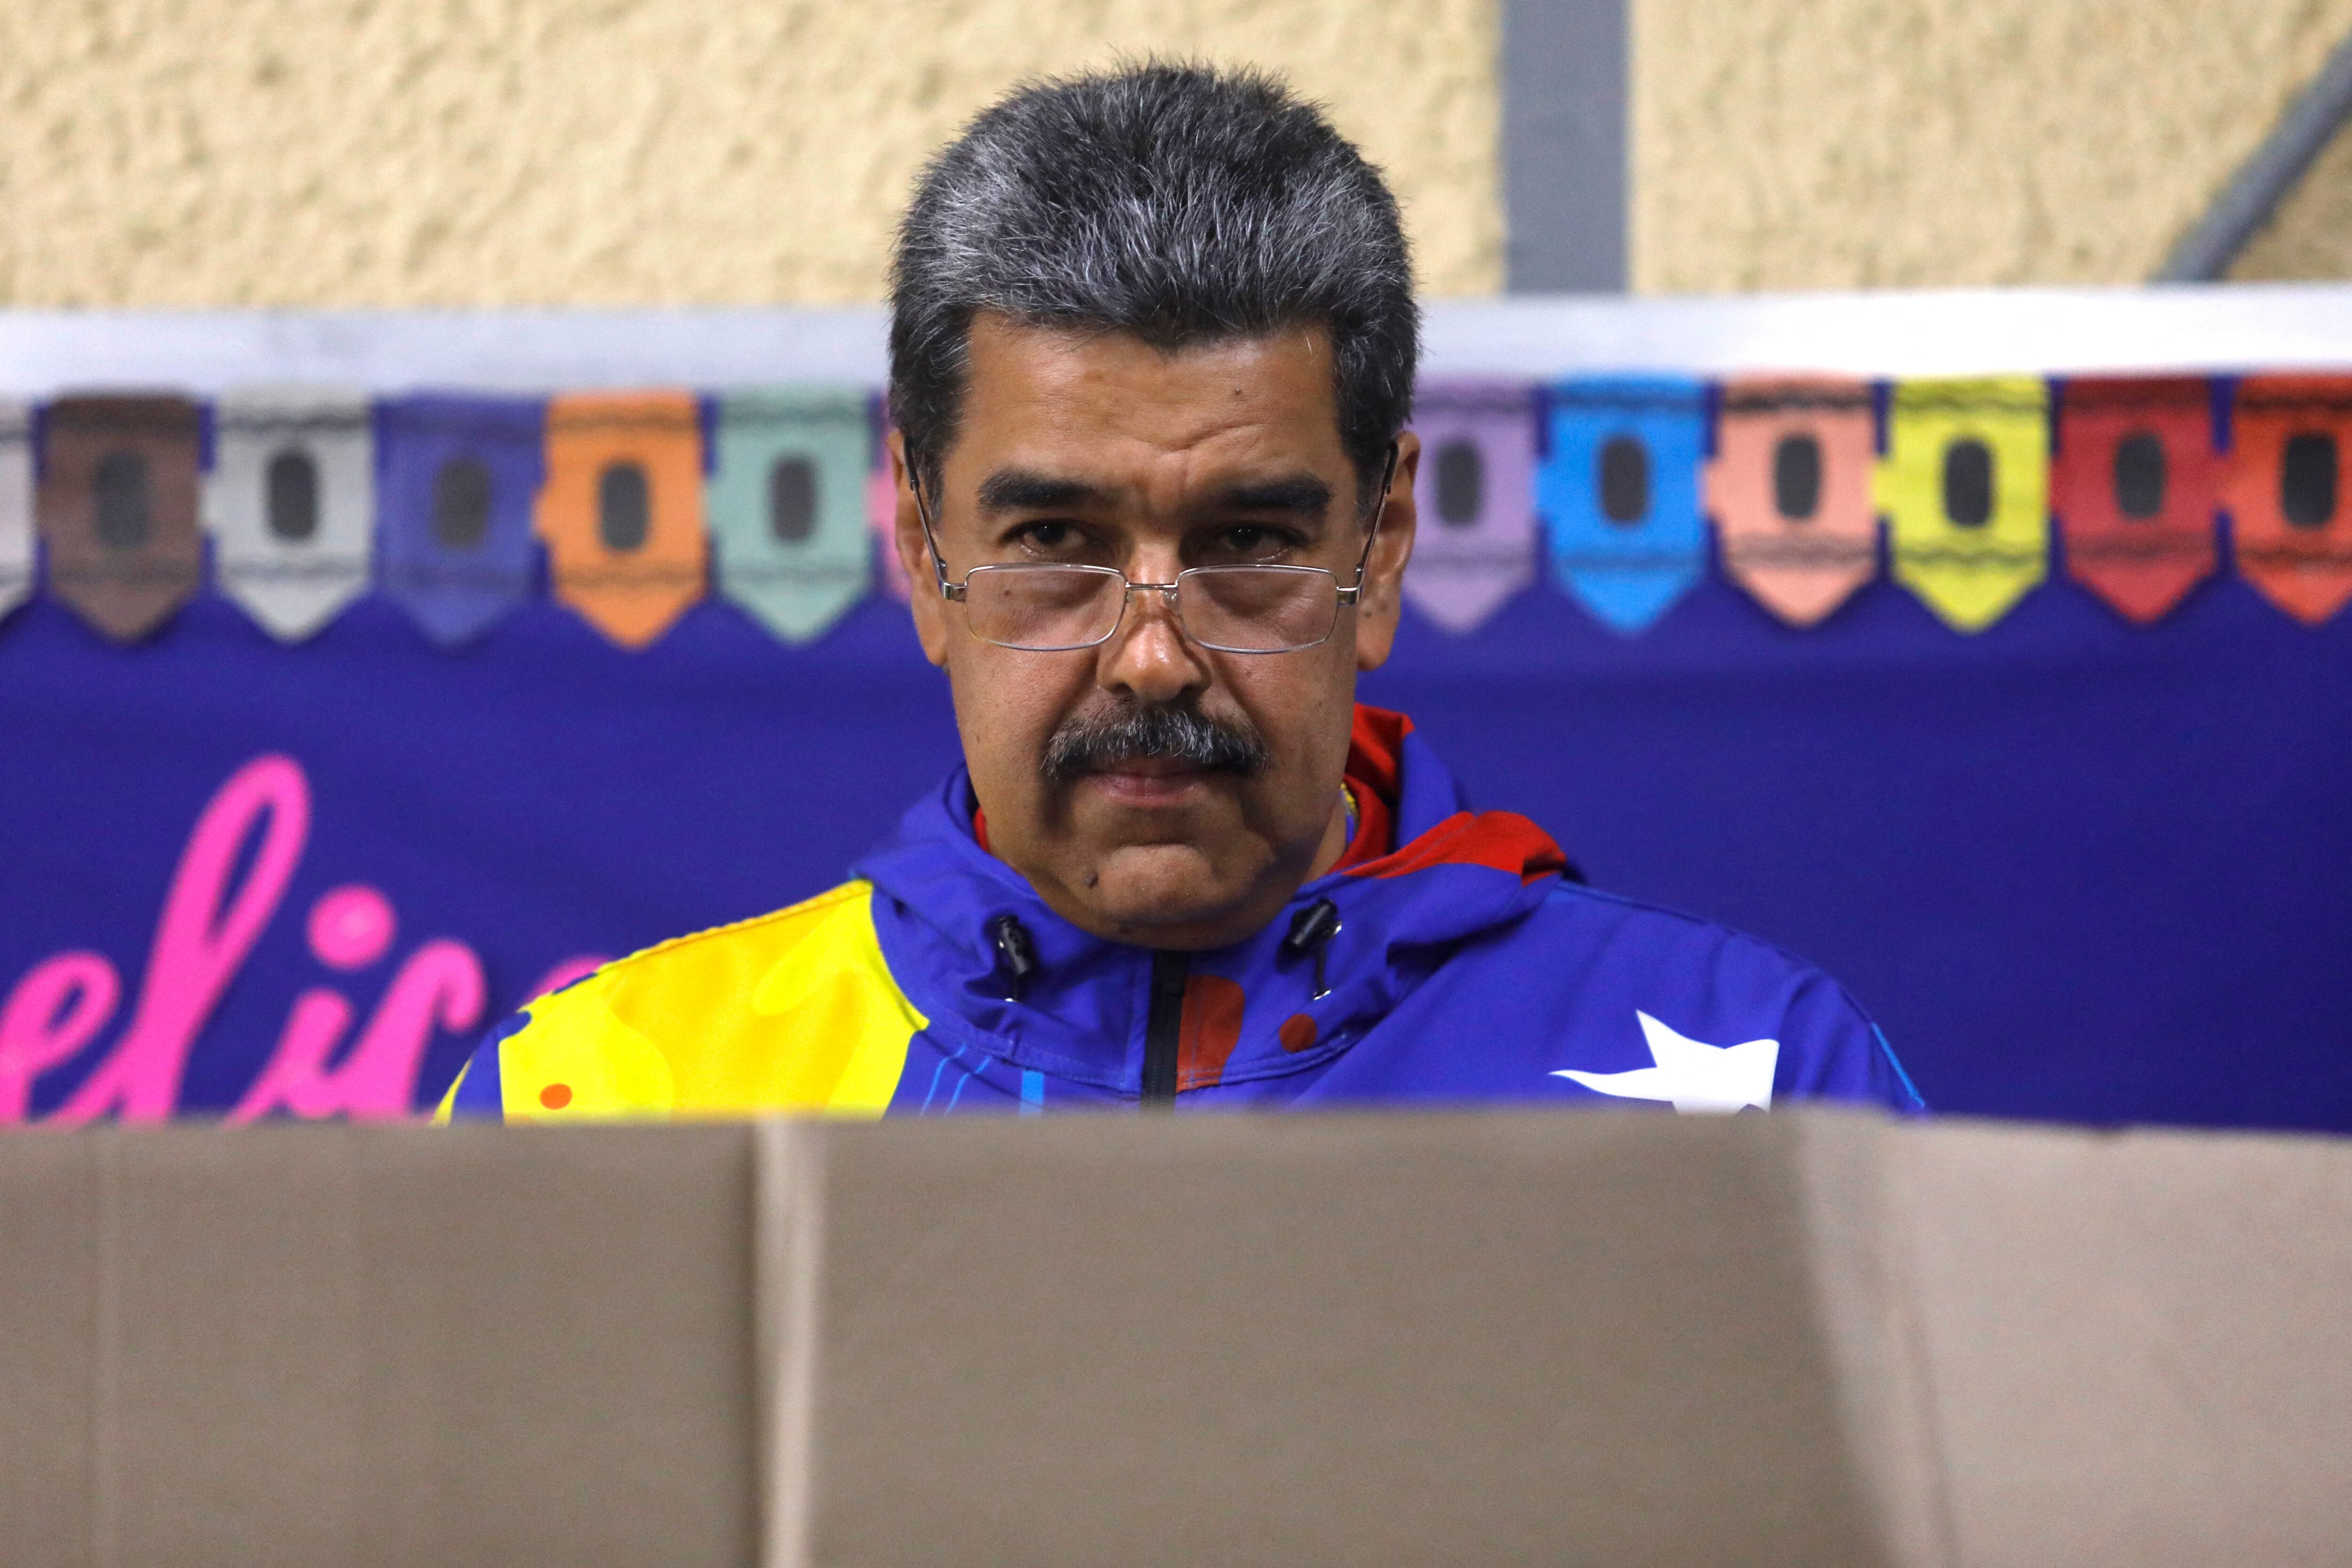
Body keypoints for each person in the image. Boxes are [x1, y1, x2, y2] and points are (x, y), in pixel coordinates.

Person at [439, 63, 1921, 1122]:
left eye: (1252, 539)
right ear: (922, 555)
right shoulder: (599, 1109)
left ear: (1384, 545)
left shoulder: (1759, 1088)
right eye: (1052, 540)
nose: (1152, 656)